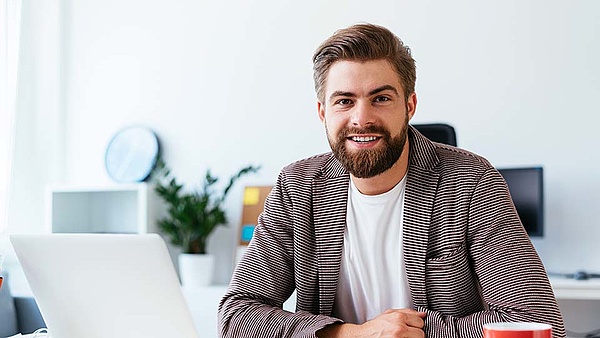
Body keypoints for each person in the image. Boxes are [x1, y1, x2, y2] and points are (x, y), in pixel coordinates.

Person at [218, 23, 566, 338]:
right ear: (323, 112)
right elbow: (236, 316)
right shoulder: (298, 186)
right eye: (344, 101)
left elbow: (537, 320)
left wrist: (419, 333)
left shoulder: (471, 182)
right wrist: (353, 335)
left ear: (410, 105)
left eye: (381, 98)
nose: (362, 118)